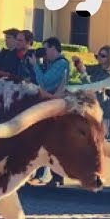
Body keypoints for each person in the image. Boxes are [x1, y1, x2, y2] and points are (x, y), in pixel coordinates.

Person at [29, 37, 71, 187]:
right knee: (45, 142)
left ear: (53, 48)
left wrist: (35, 65)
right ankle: (45, 174)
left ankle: (57, 177)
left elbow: (45, 83)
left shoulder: (61, 64)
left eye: (46, 48)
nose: (44, 51)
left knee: (54, 143)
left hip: (56, 107)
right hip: (50, 106)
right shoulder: (52, 63)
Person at [78, 45, 110, 138]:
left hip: (102, 113)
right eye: (98, 55)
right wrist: (79, 64)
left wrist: (83, 73)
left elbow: (91, 88)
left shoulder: (108, 76)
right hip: (93, 110)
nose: (99, 57)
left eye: (103, 56)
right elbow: (85, 69)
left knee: (99, 140)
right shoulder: (99, 68)